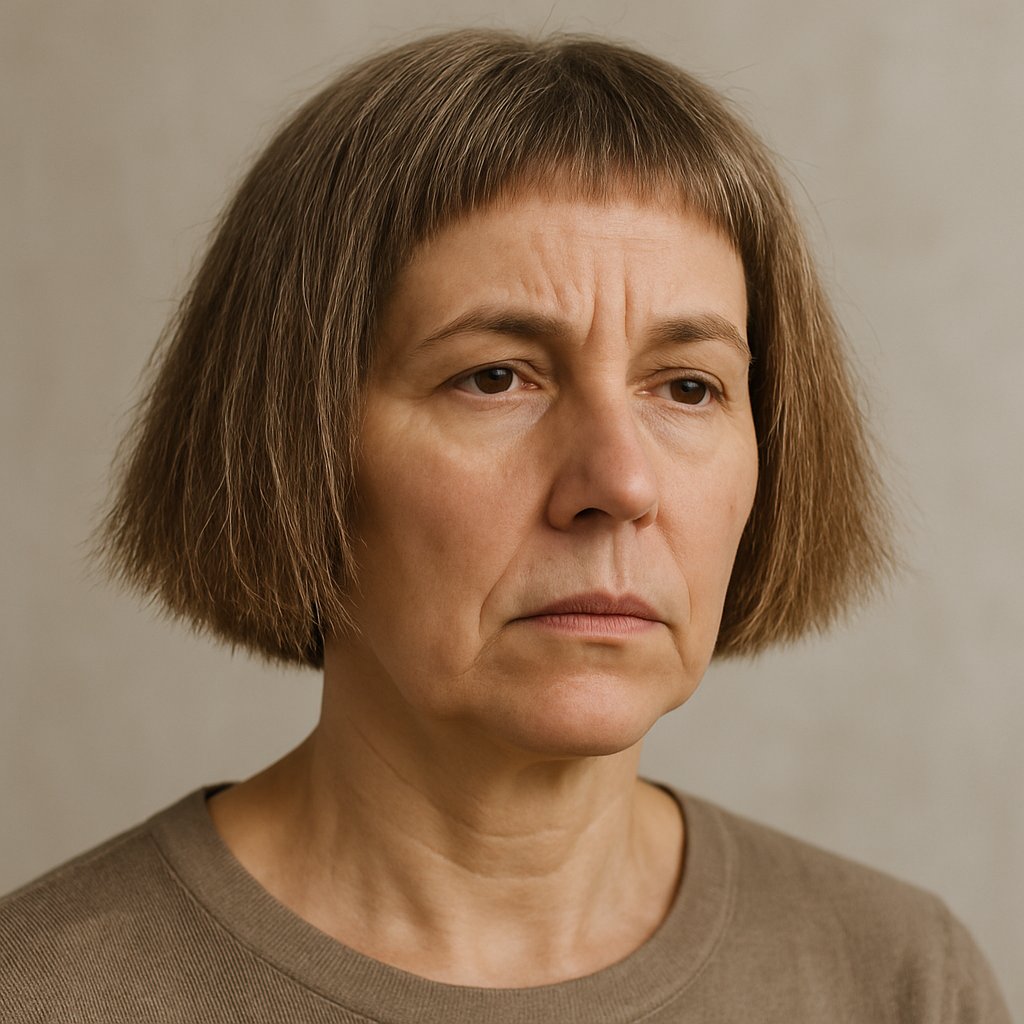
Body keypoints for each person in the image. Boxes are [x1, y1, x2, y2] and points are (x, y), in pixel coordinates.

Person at [0, 28, 1010, 1022]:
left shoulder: (896, 980)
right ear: (291, 438)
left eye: (688, 387)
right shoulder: (42, 994)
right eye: (494, 377)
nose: (618, 481)